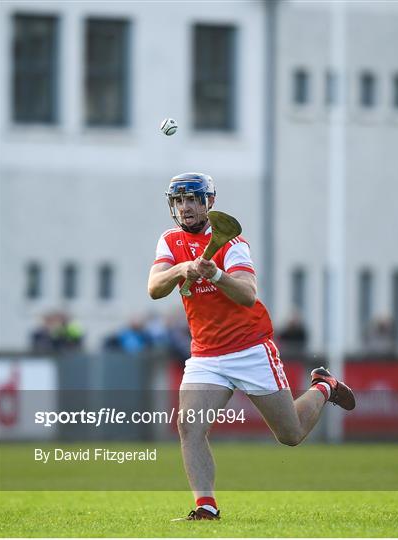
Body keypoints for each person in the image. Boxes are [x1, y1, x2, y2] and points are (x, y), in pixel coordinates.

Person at [147, 172, 355, 521]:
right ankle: (206, 507)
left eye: (193, 199)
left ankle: (324, 386)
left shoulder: (233, 243)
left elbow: (247, 295)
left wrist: (214, 274)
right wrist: (183, 268)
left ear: (208, 203)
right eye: (179, 200)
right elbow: (155, 288)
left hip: (250, 349)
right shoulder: (170, 241)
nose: (186, 207)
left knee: (290, 435)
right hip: (206, 355)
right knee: (189, 426)